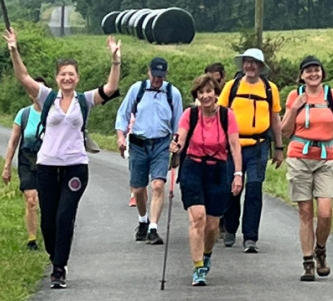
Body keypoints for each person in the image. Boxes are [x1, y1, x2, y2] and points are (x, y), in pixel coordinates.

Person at [3, 27, 122, 289]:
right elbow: (23, 77)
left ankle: (59, 268)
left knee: (64, 215)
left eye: (71, 74)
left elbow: (111, 87)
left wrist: (115, 60)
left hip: (75, 167)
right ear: (56, 78)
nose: (67, 78)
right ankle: (54, 255)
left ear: (78, 78)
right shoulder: (47, 97)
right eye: (63, 74)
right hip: (46, 167)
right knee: (48, 220)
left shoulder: (85, 100)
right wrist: (14, 50)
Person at [280, 55, 333, 281]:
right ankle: (307, 262)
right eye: (308, 70)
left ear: (322, 73)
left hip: (326, 158)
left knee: (325, 212)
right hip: (299, 157)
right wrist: (294, 109)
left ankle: (320, 249)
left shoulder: (332, 95)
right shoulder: (295, 96)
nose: (313, 74)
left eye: (317, 70)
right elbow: (284, 130)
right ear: (302, 75)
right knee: (305, 212)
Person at [170, 74, 243, 286]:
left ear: (216, 93)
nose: (205, 96)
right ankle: (198, 266)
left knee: (212, 225)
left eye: (209, 91)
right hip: (193, 168)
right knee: (198, 217)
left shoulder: (226, 116)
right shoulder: (189, 114)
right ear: (196, 95)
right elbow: (181, 138)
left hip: (218, 170)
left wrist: (238, 174)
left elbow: (235, 145)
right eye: (201, 92)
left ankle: (207, 253)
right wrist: (175, 148)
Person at [218, 48, 284, 253]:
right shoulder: (232, 86)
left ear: (261, 66)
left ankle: (250, 237)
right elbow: (220, 115)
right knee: (232, 189)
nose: (250, 66)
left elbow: (275, 119)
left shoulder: (270, 89)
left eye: (254, 62)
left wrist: (279, 148)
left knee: (254, 189)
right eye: (247, 62)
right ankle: (230, 228)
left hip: (258, 146)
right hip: (232, 146)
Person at [115, 57, 183, 245]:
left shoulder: (172, 93)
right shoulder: (137, 90)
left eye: (161, 76)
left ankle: (153, 228)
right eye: (154, 75)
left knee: (158, 185)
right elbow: (123, 114)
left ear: (165, 75)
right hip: (138, 143)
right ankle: (143, 220)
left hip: (161, 144)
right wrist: (121, 137)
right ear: (149, 72)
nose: (157, 80)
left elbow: (179, 123)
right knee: (138, 189)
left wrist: (177, 147)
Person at [2, 76, 49, 251]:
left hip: (50, 164)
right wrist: (7, 166)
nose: (37, 93)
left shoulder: (54, 113)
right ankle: (32, 239)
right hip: (27, 163)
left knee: (48, 202)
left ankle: (51, 234)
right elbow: (13, 142)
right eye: (34, 89)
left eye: (41, 90)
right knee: (31, 199)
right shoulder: (24, 114)